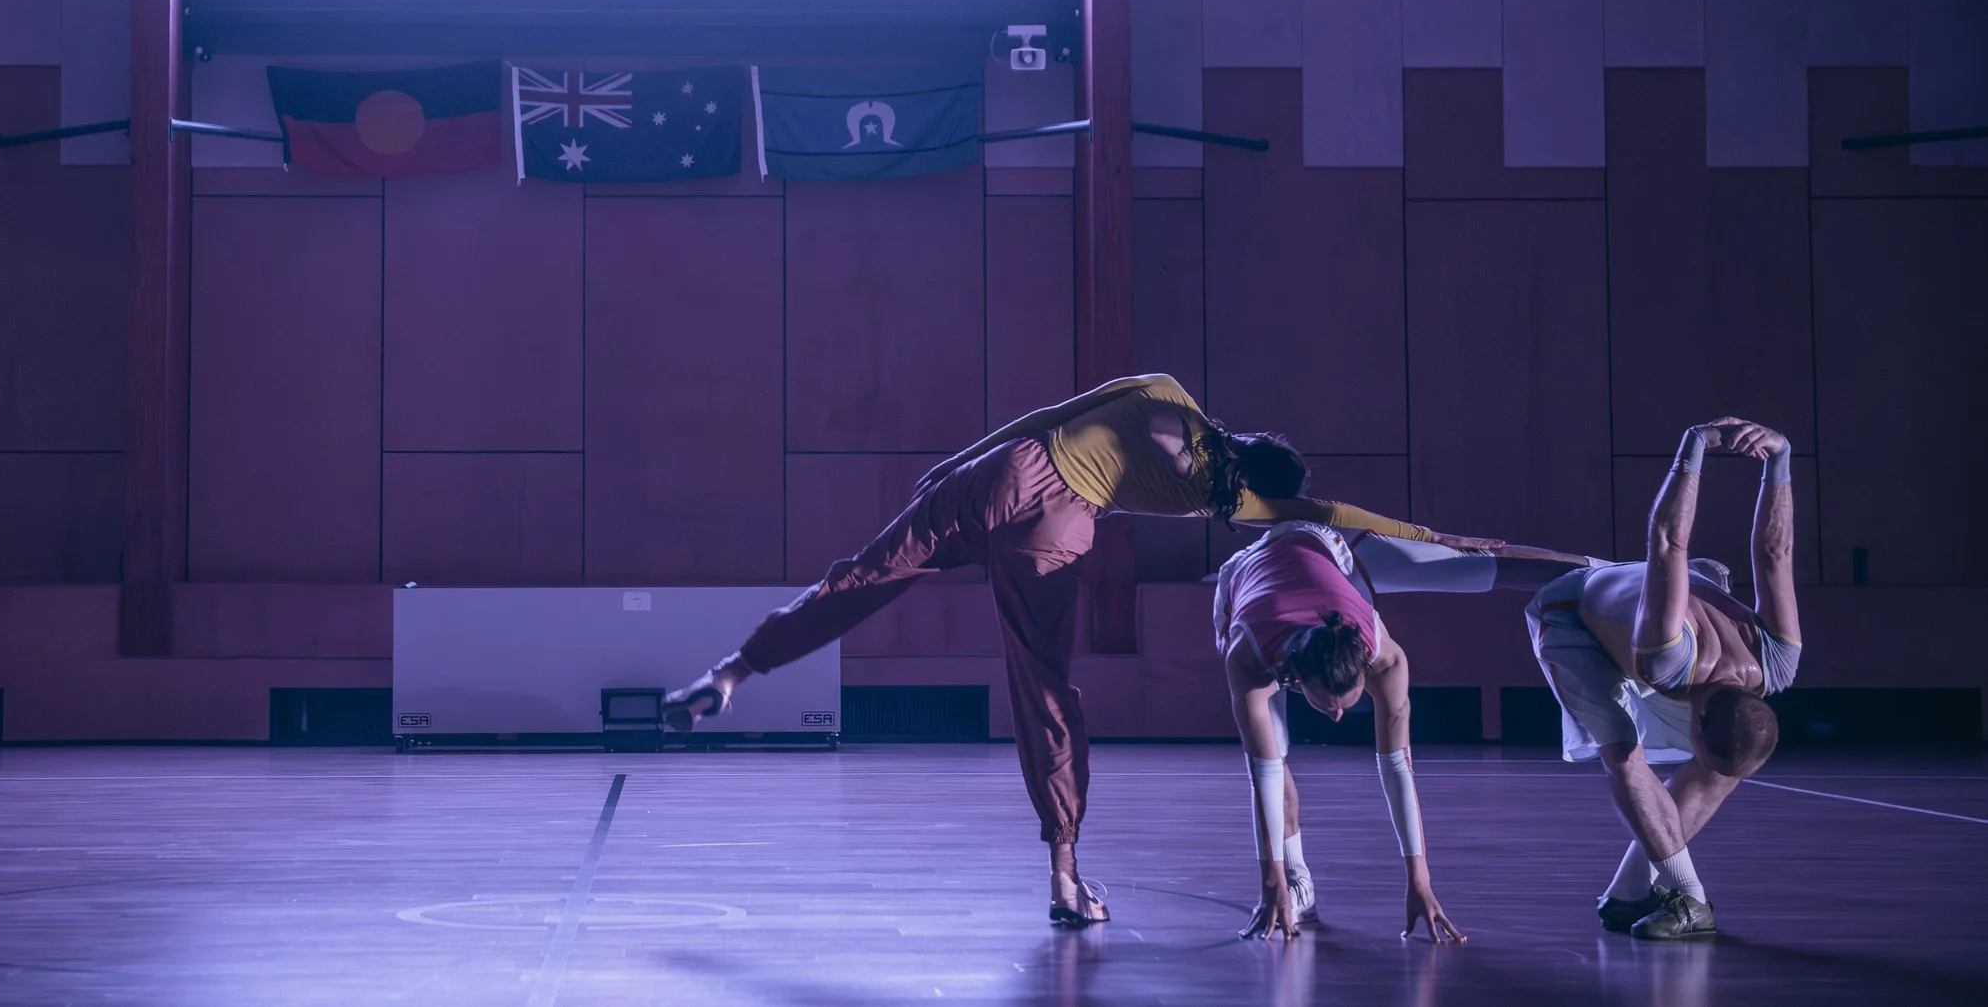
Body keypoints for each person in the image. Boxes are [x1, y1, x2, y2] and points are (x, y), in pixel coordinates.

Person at [658, 373, 1527, 928]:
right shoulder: (1242, 504)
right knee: (1041, 687)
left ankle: (735, 670)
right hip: (1059, 529)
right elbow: (1346, 521)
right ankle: (1065, 878)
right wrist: (1455, 541)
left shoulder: (1164, 392)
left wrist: (953, 466)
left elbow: (1046, 414)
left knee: (867, 574)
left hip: (1002, 475)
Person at [1526, 417, 1802, 941]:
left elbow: (1776, 555)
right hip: (1570, 613)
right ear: (1694, 720)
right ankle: (1690, 897)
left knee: (1728, 761)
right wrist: (1691, 450)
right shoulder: (1667, 655)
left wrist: (1781, 459)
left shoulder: (1778, 665)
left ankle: (1629, 894)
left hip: (1662, 598)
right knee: (1625, 755)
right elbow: (1667, 541)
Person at [1216, 519, 1469, 944]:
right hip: (1245, 578)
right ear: (1296, 678)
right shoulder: (1249, 655)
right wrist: (1271, 878)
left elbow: (1398, 770)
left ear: (1365, 668)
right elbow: (1264, 775)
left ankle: (1294, 881)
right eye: (1325, 703)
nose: (1335, 717)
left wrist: (1420, 879)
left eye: (1347, 704)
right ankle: (1296, 879)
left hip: (1324, 546)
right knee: (1272, 752)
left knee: (1282, 752)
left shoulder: (1386, 659)